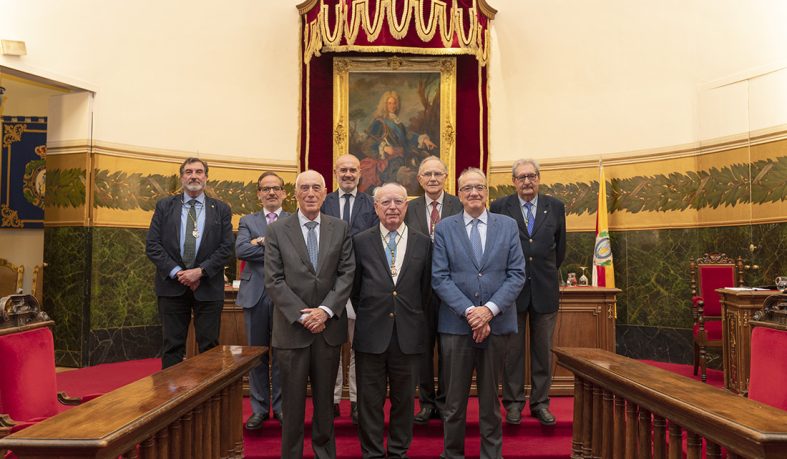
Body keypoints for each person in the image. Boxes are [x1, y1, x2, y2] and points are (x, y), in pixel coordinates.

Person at [432, 168, 525, 459]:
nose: (474, 192)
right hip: (456, 327)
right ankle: (452, 454)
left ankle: (491, 455)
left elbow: (517, 274)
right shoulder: (445, 227)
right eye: (467, 188)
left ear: (487, 192)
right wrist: (472, 312)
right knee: (454, 402)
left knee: (490, 401)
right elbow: (440, 277)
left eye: (479, 187)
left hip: (497, 325)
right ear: (458, 194)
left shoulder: (507, 225)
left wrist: (489, 311)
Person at [264, 170, 355, 459]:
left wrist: (325, 311)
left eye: (316, 187)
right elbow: (274, 280)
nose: (311, 193)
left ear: (326, 192)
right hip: (292, 330)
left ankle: (324, 453)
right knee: (291, 404)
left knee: (325, 401)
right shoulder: (278, 229)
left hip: (327, 330)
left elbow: (346, 273)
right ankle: (291, 454)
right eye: (305, 188)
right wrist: (304, 315)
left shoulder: (339, 228)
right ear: (295, 193)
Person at [351, 182, 432, 458]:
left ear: (407, 206)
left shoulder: (423, 242)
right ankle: (372, 452)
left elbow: (425, 290)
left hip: (408, 335)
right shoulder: (360, 241)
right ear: (376, 208)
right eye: (386, 202)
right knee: (369, 401)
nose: (393, 207)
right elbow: (354, 289)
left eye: (398, 201)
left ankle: (398, 451)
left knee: (404, 401)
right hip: (371, 334)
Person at [490, 158, 566, 426]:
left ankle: (540, 403)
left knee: (543, 350)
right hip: (511, 292)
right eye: (521, 177)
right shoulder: (500, 207)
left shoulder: (555, 207)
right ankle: (512, 403)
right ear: (513, 181)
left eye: (531, 176)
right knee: (512, 352)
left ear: (539, 178)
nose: (527, 181)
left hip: (545, 290)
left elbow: (560, 250)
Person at [145, 157, 234, 369]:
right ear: (181, 177)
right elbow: (153, 246)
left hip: (209, 287)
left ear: (206, 177)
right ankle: (171, 399)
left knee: (209, 346)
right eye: (189, 172)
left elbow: (226, 248)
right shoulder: (165, 206)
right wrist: (179, 273)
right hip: (172, 286)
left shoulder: (221, 209)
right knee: (172, 346)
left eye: (199, 172)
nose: (194, 176)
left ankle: (210, 399)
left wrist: (200, 272)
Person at [403, 155, 462, 424]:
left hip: (452, 290)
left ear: (446, 177)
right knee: (423, 350)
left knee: (450, 349)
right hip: (418, 291)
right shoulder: (409, 209)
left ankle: (448, 401)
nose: (433, 179)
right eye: (427, 174)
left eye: (438, 174)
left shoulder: (459, 206)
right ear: (419, 179)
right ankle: (426, 402)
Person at [321, 154, 379, 424]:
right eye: (342, 170)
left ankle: (356, 401)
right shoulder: (324, 201)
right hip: (328, 286)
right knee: (331, 346)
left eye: (352, 170)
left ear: (360, 174)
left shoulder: (371, 203)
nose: (347, 174)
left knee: (358, 347)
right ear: (335, 173)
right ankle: (331, 400)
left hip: (361, 286)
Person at [235, 171, 288, 430]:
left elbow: (293, 254)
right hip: (254, 295)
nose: (271, 192)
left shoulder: (292, 220)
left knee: (280, 354)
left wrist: (261, 242)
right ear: (258, 194)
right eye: (266, 189)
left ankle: (279, 407)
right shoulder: (248, 220)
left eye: (276, 188)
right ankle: (258, 408)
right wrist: (274, 245)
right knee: (256, 355)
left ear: (284, 193)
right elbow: (241, 250)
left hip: (284, 297)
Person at [359, 90, 437, 193]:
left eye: (394, 103)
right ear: (385, 105)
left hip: (402, 159)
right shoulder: (379, 122)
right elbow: (367, 146)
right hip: (388, 164)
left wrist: (425, 140)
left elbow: (409, 136)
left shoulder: (398, 123)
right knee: (408, 178)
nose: (392, 106)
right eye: (389, 103)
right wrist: (384, 148)